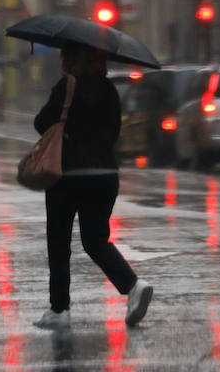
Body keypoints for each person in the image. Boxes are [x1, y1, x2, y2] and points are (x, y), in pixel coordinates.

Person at [32, 42, 152, 329]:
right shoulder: (109, 90)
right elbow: (113, 133)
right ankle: (133, 286)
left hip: (68, 175)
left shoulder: (67, 86)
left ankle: (59, 310)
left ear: (70, 58)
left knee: (59, 242)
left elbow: (41, 123)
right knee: (95, 240)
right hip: (105, 175)